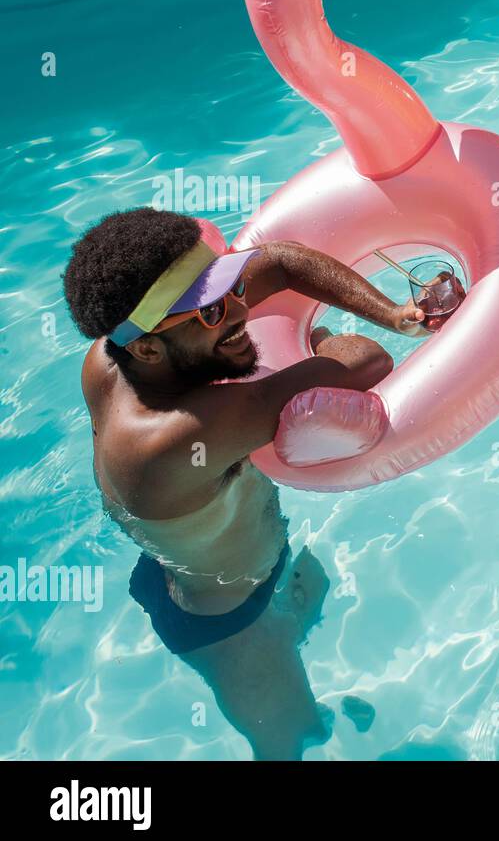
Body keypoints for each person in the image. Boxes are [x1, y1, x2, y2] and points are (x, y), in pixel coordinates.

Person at [64, 207, 425, 759]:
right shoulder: (171, 439)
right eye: (211, 310)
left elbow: (277, 260)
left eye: (230, 288)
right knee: (291, 738)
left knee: (314, 588)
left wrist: (397, 312)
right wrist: (318, 345)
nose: (238, 309)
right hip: (231, 626)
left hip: (200, 569)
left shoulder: (116, 351)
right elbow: (366, 363)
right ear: (147, 348)